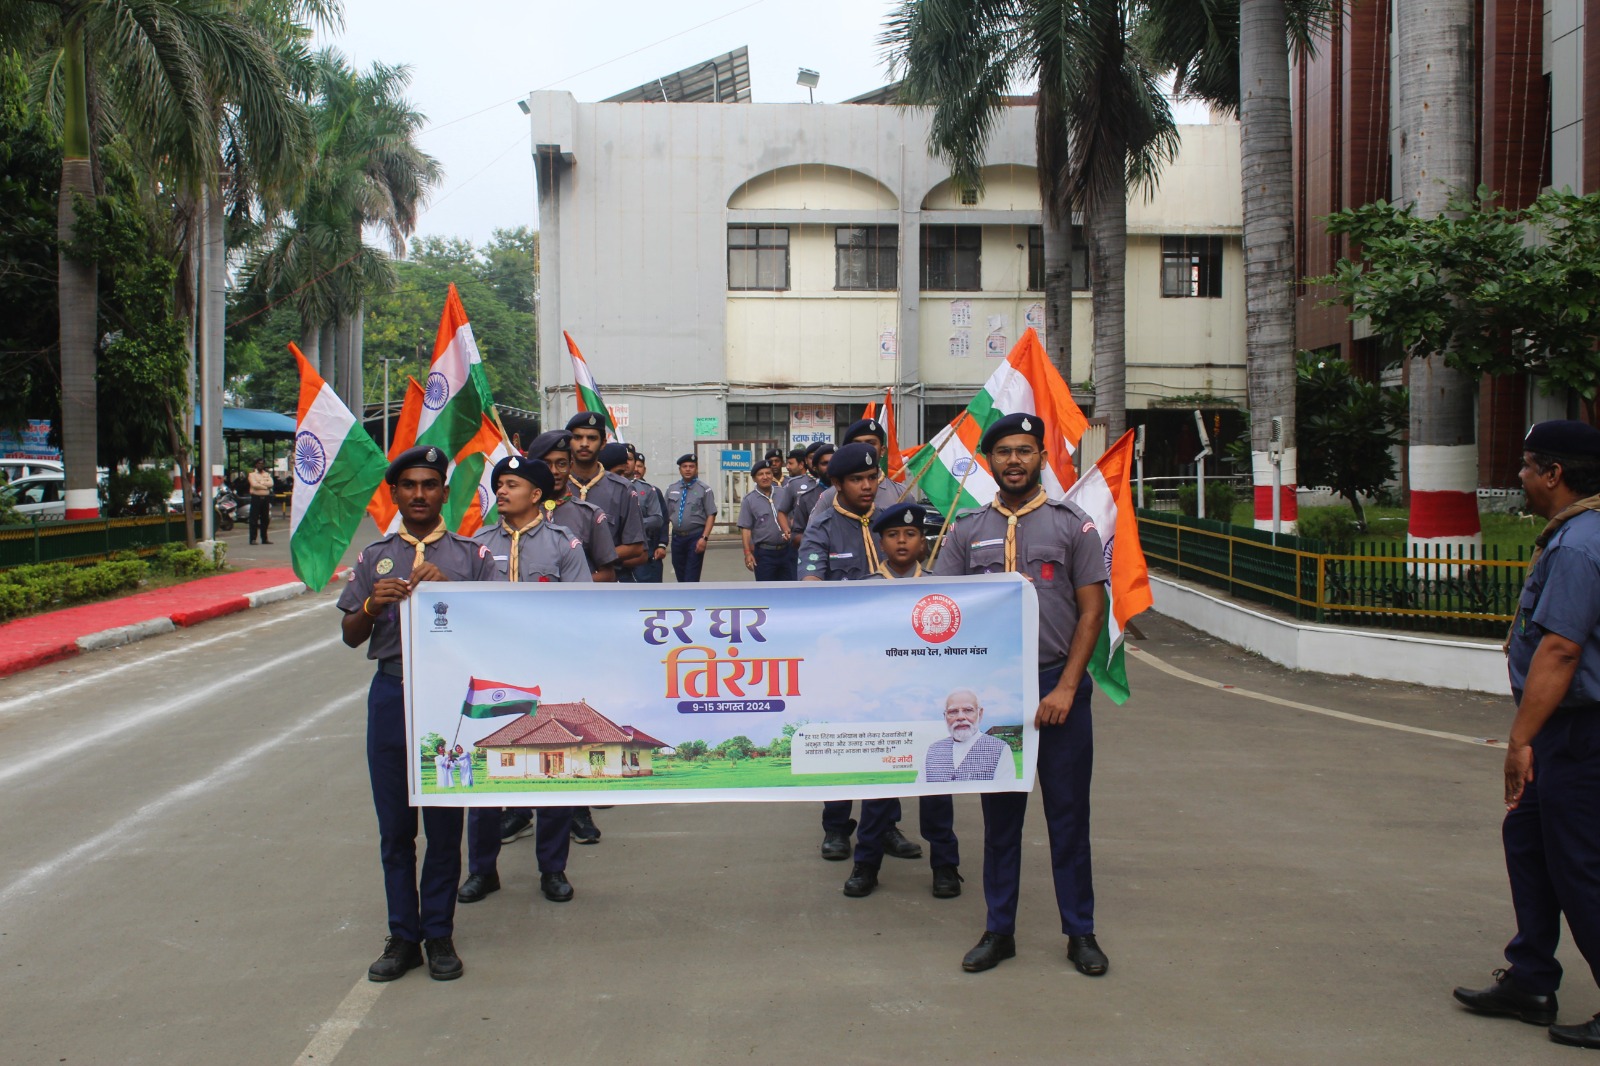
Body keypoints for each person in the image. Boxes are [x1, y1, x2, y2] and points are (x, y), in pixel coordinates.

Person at [932, 411, 1110, 977]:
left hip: (1057, 688)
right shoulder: (964, 532)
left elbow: (1092, 612)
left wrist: (1065, 687)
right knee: (1000, 819)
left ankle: (1080, 932)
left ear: (1041, 459)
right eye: (1004, 451)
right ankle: (998, 929)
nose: (1014, 460)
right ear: (988, 461)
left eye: (1025, 451)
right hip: (994, 698)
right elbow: (947, 613)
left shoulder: (1072, 525)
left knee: (1068, 816)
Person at [1453, 420, 1600, 1047]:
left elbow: (1562, 650)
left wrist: (1520, 740)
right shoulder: (1576, 534)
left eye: (1525, 466)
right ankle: (1532, 978)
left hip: (1576, 732)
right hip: (1563, 729)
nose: (1518, 477)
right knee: (1529, 842)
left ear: (1554, 475)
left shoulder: (1576, 546)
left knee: (1579, 864)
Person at [338, 444, 497, 983]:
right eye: (410, 486)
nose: (420, 494)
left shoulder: (472, 557)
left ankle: (440, 933)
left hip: (448, 701)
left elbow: (501, 628)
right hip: (392, 693)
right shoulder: (373, 557)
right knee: (396, 828)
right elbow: (350, 636)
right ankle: (402, 935)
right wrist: (370, 605)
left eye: (430, 485)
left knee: (445, 824)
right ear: (395, 494)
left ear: (445, 493)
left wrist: (455, 592)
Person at [460, 455, 592, 907]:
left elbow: (582, 609)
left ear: (536, 495)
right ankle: (482, 869)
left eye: (511, 484)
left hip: (546, 672)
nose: (501, 490)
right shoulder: (476, 544)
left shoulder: (563, 545)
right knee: (485, 770)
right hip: (493, 673)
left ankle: (552, 869)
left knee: (552, 771)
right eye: (499, 483)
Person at [799, 442, 924, 865]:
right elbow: (811, 584)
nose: (869, 486)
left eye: (873, 478)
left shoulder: (890, 519)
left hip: (896, 657)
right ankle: (836, 827)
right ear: (837, 483)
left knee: (894, 741)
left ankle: (887, 824)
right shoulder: (823, 526)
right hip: (846, 657)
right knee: (841, 741)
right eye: (858, 479)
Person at [841, 502, 962, 901]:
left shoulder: (943, 590)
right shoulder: (865, 590)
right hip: (882, 710)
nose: (902, 541)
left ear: (923, 543)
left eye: (911, 535)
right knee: (877, 792)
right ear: (881, 543)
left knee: (937, 793)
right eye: (893, 535)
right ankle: (866, 865)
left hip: (930, 709)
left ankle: (945, 867)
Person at [565, 412, 646, 570]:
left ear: (603, 443)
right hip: (562, 584)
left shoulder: (623, 489)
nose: (584, 443)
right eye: (578, 437)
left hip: (607, 583)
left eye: (592, 438)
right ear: (569, 442)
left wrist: (598, 558)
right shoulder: (555, 485)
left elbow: (636, 547)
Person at [807, 418, 919, 523]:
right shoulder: (830, 496)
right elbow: (813, 535)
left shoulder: (902, 493)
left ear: (882, 450)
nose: (864, 449)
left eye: (871, 443)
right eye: (857, 444)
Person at [920, 689, 1017, 784]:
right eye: (953, 712)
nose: (960, 717)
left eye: (968, 710)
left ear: (980, 713)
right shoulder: (932, 751)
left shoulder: (1000, 749)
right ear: (944, 716)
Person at [738, 462, 793, 581]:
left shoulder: (783, 493)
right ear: (754, 478)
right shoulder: (749, 500)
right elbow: (746, 529)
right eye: (760, 474)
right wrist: (747, 553)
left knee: (789, 590)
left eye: (768, 473)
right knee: (766, 592)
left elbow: (793, 516)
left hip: (787, 551)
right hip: (764, 554)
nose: (765, 477)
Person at [666, 453, 716, 583]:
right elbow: (665, 515)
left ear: (696, 469)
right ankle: (684, 601)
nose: (688, 469)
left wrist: (704, 538)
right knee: (680, 573)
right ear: (680, 469)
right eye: (684, 466)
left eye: (691, 466)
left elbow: (711, 514)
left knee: (691, 576)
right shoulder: (672, 489)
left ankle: (692, 601)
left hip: (695, 537)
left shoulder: (704, 489)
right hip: (677, 538)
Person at [633, 453, 668, 582]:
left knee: (654, 589)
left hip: (651, 550)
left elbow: (663, 519)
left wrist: (662, 544)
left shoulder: (653, 491)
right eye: (634, 465)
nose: (636, 469)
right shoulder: (621, 490)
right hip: (630, 551)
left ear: (645, 469)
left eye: (640, 466)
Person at [247, 459, 274, 544]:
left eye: (262, 464)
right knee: (254, 519)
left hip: (265, 498)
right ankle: (253, 539)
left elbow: (271, 483)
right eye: (259, 464)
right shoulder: (252, 475)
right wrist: (265, 486)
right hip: (256, 498)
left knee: (265, 519)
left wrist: (261, 483)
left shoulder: (267, 474)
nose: (261, 465)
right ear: (256, 465)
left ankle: (264, 538)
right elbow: (254, 485)